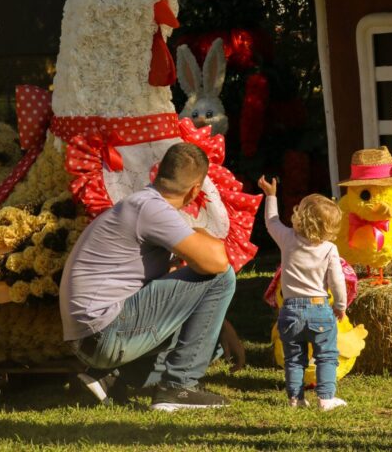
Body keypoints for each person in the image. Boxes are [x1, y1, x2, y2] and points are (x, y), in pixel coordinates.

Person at [60, 142, 235, 411]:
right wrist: (201, 232)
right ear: (195, 189)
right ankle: (179, 387)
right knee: (223, 277)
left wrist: (223, 328)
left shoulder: (140, 204)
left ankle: (108, 378)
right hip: (103, 331)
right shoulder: (151, 209)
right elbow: (217, 263)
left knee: (211, 344)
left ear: (158, 173)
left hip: (91, 337)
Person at [257, 175, 348, 412]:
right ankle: (326, 398)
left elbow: (271, 222)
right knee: (326, 355)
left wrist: (271, 196)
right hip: (319, 309)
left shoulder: (287, 239)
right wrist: (340, 305)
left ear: (300, 216)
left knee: (294, 358)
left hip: (290, 310)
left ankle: (295, 399)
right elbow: (337, 281)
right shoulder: (329, 248)